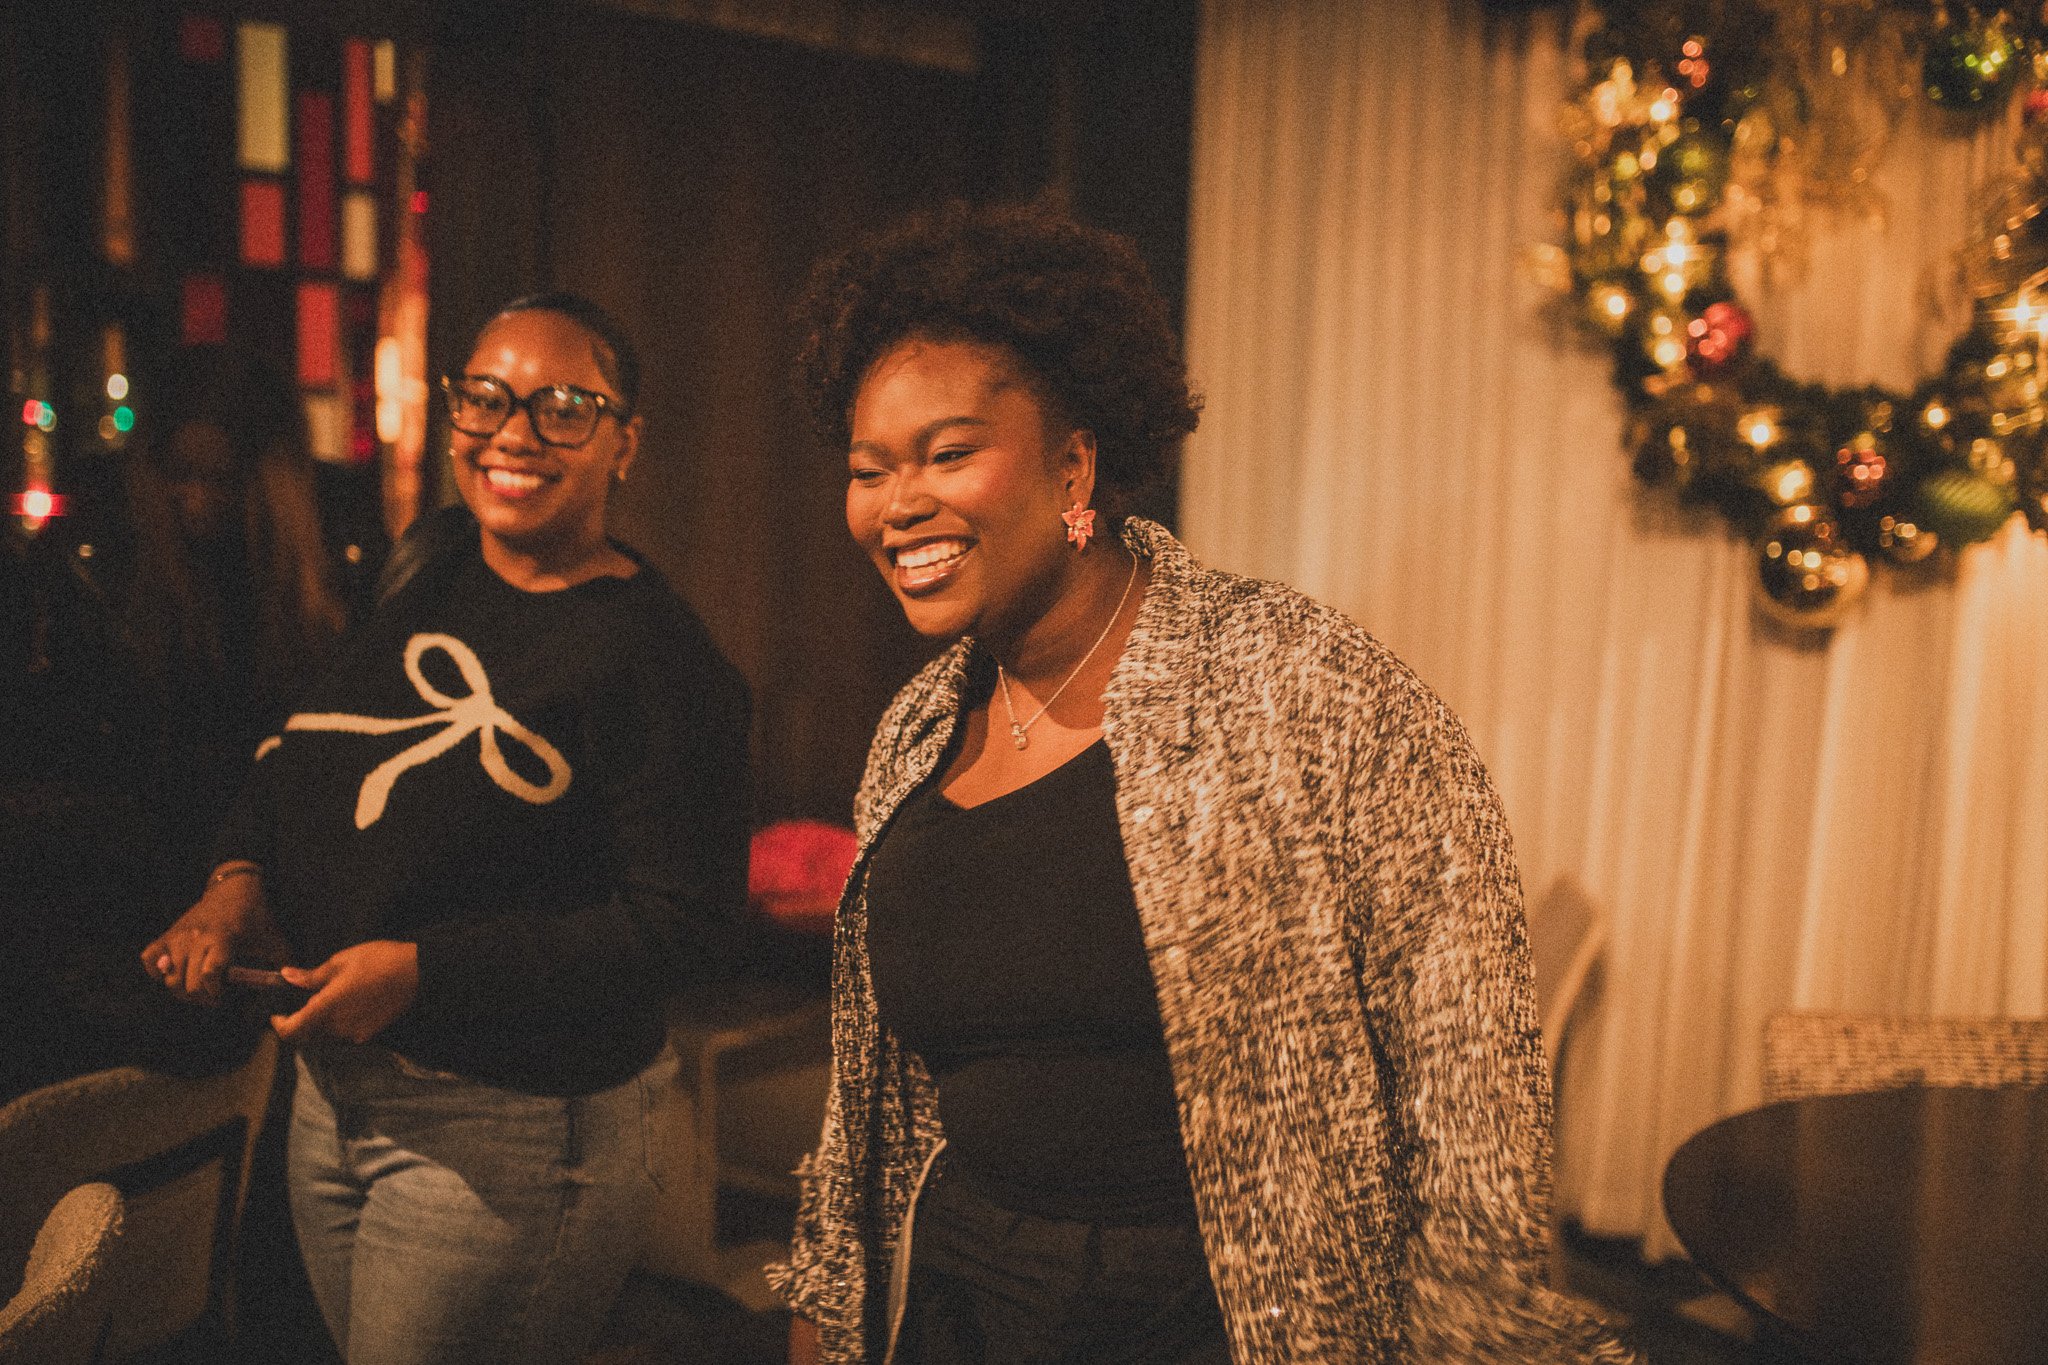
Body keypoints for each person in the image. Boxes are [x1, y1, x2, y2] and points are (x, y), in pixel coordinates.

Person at [771, 204, 1637, 1363]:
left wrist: (1468, 1339)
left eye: (947, 453)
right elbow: (873, 1092)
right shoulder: (914, 731)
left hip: (1218, 1315)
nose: (896, 505)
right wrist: (831, 1304)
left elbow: (1470, 1081)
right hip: (955, 1301)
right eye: (868, 470)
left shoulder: (1299, 682)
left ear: (1074, 461)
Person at [143, 293, 752, 1364]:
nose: (514, 433)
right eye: (487, 397)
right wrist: (232, 883)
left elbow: (684, 926)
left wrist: (426, 973)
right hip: (335, 1100)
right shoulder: (428, 563)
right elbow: (304, 749)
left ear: (625, 443)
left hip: (509, 1135)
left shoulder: (655, 658)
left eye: (563, 405)